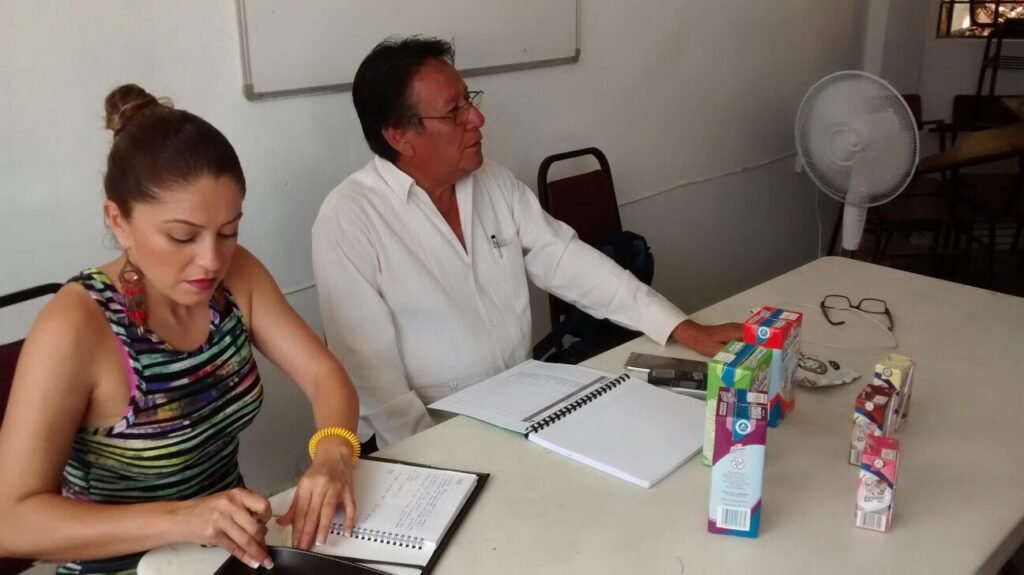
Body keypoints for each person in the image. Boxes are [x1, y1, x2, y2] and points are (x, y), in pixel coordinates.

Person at [312, 37, 742, 450]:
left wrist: (679, 327)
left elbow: (567, 260)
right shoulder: (350, 218)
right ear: (398, 135)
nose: (477, 119)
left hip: (524, 407)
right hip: (437, 433)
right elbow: (371, 377)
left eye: (469, 100)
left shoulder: (492, 182)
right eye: (454, 112)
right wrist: (434, 458)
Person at [0, 85, 362, 574]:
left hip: (229, 557)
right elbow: (11, 521)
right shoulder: (77, 325)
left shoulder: (236, 277)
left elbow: (323, 374)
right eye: (182, 236)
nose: (211, 260)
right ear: (118, 221)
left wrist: (334, 451)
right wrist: (183, 519)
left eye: (229, 231)